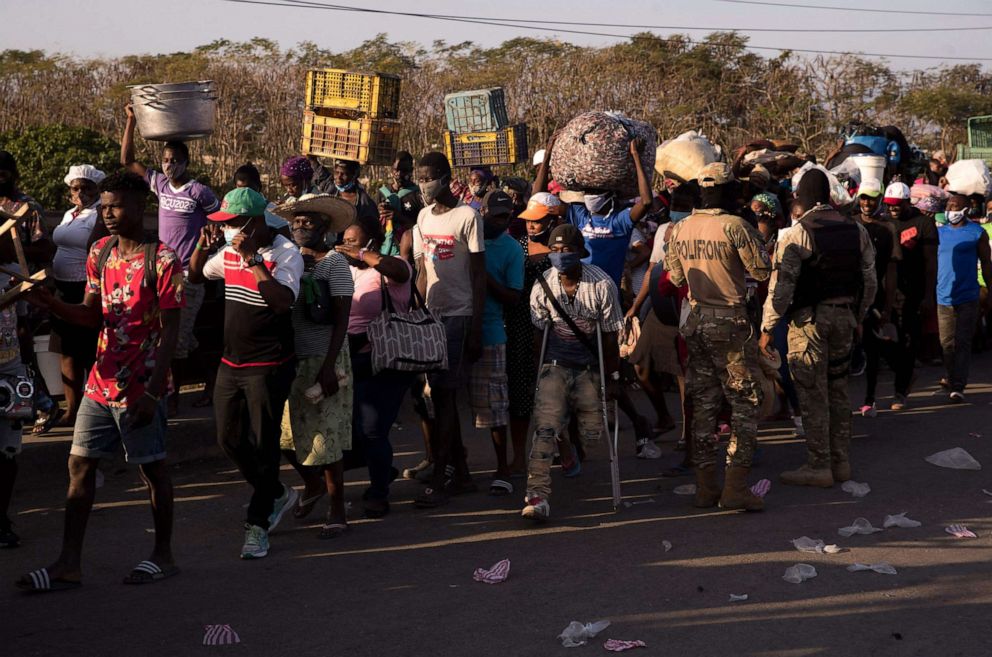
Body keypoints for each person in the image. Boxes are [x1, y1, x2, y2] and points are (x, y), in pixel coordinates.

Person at [16, 171, 184, 591]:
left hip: (142, 385)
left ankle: (163, 555)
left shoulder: (162, 260)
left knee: (152, 469)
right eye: (104, 206)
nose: (108, 213)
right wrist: (52, 302)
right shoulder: (100, 252)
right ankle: (68, 563)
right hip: (101, 379)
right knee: (79, 463)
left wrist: (153, 388)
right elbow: (91, 315)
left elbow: (170, 333)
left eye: (116, 205)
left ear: (141, 207)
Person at [188, 187, 303, 560]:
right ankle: (276, 493)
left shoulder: (286, 254)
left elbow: (282, 304)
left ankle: (258, 524)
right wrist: (202, 249)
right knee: (228, 438)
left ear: (255, 223)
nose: (229, 230)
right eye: (225, 224)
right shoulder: (227, 251)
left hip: (268, 365)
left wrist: (253, 260)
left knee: (264, 443)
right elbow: (197, 276)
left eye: (235, 224)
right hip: (231, 363)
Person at [534, 137, 656, 456]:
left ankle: (639, 423)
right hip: (573, 297)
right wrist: (547, 158)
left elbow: (646, 200)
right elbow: (540, 199)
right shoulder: (579, 217)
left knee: (605, 373)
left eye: (597, 195)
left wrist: (634, 156)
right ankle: (581, 443)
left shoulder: (618, 221)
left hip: (605, 299)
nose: (591, 199)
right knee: (579, 374)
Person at [665, 163, 771, 512]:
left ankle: (705, 487)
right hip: (730, 322)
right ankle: (735, 487)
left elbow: (677, 278)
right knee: (744, 403)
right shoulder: (736, 226)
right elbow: (761, 269)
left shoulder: (679, 228)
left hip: (695, 322)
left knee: (704, 403)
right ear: (728, 192)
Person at [760, 169, 877, 488]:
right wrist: (859, 317)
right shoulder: (855, 229)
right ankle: (841, 463)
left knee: (812, 392)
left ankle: (818, 465)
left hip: (809, 323)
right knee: (838, 390)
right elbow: (869, 280)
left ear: (801, 196)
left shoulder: (798, 233)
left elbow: (781, 288)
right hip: (844, 317)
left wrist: (768, 328)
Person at [122, 105, 221, 416]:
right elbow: (127, 162)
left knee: (176, 338)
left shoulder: (199, 192)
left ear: (186, 162)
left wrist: (209, 249)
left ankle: (173, 396)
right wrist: (130, 120)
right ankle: (210, 384)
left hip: (189, 274)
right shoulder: (160, 185)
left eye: (174, 161)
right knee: (179, 335)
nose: (168, 166)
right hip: (162, 270)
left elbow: (219, 219)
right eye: (164, 161)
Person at [267, 194, 355, 538]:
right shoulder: (289, 260)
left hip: (325, 358)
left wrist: (329, 366)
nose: (301, 226)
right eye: (297, 221)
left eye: (309, 221)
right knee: (286, 437)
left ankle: (337, 510)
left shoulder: (334, 264)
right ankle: (312, 485)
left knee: (327, 440)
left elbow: (342, 319)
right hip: (294, 358)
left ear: (323, 227)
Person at [523, 224, 623, 522]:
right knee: (544, 427)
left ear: (581, 252)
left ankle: (571, 439)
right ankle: (537, 496)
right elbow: (538, 335)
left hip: (591, 366)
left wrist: (614, 378)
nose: (560, 256)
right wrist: (540, 374)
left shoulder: (601, 285)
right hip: (556, 363)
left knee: (591, 433)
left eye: (567, 250)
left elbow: (609, 337)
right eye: (555, 250)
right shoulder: (543, 285)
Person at [411, 151, 486, 508]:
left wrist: (475, 327)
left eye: (429, 177)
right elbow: (424, 270)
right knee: (439, 400)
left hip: (459, 316)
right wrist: (418, 313)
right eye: (419, 178)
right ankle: (462, 474)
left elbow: (478, 273)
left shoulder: (467, 216)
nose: (424, 185)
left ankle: (442, 479)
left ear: (444, 177)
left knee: (443, 397)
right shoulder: (423, 217)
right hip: (432, 317)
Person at [336, 216, 413, 518]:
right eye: (344, 241)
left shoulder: (392, 269)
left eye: (353, 241)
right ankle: (383, 469)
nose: (345, 246)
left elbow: (397, 269)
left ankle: (379, 491)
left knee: (371, 428)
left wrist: (361, 255)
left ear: (372, 243)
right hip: (351, 358)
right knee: (354, 429)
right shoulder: (348, 273)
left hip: (385, 361)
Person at [504, 192, 561, 477]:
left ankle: (567, 448)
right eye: (529, 221)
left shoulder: (563, 253)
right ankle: (519, 457)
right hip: (519, 328)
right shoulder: (517, 248)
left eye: (538, 222)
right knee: (520, 395)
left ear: (554, 220)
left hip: (553, 331)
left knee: (556, 393)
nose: (531, 226)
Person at [473, 190, 524, 496]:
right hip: (459, 325)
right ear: (483, 212)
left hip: (491, 330)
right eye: (496, 215)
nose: (501, 222)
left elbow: (514, 296)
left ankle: (502, 466)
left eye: (506, 217)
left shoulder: (511, 249)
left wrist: (485, 278)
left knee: (495, 405)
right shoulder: (466, 238)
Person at [50, 165, 107, 426]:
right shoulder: (69, 214)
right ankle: (72, 409)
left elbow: (95, 246)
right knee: (66, 350)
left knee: (87, 351)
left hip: (86, 287)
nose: (81, 192)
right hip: (62, 286)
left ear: (96, 189)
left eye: (86, 188)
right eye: (76, 188)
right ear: (69, 192)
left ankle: (93, 410)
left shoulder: (99, 214)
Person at [884, 181, 937, 410]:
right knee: (883, 341)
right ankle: (906, 372)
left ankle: (900, 392)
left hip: (914, 292)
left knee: (908, 340)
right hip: (888, 291)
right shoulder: (884, 222)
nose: (893, 209)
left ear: (907, 202)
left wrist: (928, 295)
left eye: (897, 205)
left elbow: (930, 263)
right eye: (889, 204)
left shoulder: (923, 223)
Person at [936, 194, 992, 403]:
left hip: (968, 295)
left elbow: (986, 263)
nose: (952, 209)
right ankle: (952, 376)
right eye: (949, 206)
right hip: (943, 296)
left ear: (967, 209)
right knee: (946, 343)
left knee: (963, 341)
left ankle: (958, 384)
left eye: (956, 206)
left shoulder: (976, 233)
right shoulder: (938, 233)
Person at [853, 180, 901, 416]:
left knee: (872, 350)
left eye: (871, 198)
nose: (866, 203)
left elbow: (891, 272)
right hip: (850, 296)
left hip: (874, 298)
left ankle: (870, 399)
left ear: (880, 198)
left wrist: (888, 306)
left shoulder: (887, 228)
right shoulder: (849, 224)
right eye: (863, 197)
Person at [0, 241, 34, 547]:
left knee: (8, 451)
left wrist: (32, 382)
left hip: (12, 374)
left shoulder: (12, 274)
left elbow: (23, 325)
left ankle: (1, 517)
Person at [372, 151, 422, 258]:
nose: (399, 174)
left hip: (409, 253)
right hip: (383, 250)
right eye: (396, 170)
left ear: (411, 171)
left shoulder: (418, 195)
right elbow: (373, 225)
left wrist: (399, 217)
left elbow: (421, 229)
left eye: (404, 170)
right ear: (391, 169)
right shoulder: (382, 193)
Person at [311, 157, 379, 226]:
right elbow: (318, 170)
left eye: (344, 174)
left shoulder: (364, 202)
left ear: (354, 176)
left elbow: (372, 226)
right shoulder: (331, 188)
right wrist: (311, 158)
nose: (339, 177)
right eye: (337, 172)